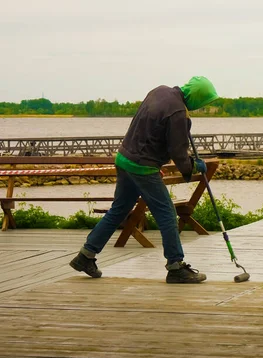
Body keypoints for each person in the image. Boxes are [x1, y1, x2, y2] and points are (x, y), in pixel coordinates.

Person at [69, 76, 219, 284]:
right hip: (141, 165)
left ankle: (85, 256)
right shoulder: (179, 114)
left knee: (118, 210)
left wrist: (155, 163)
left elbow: (148, 131)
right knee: (166, 214)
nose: (202, 107)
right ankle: (176, 267)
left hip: (125, 158)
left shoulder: (159, 91)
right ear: (197, 97)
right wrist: (193, 165)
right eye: (204, 102)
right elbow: (177, 151)